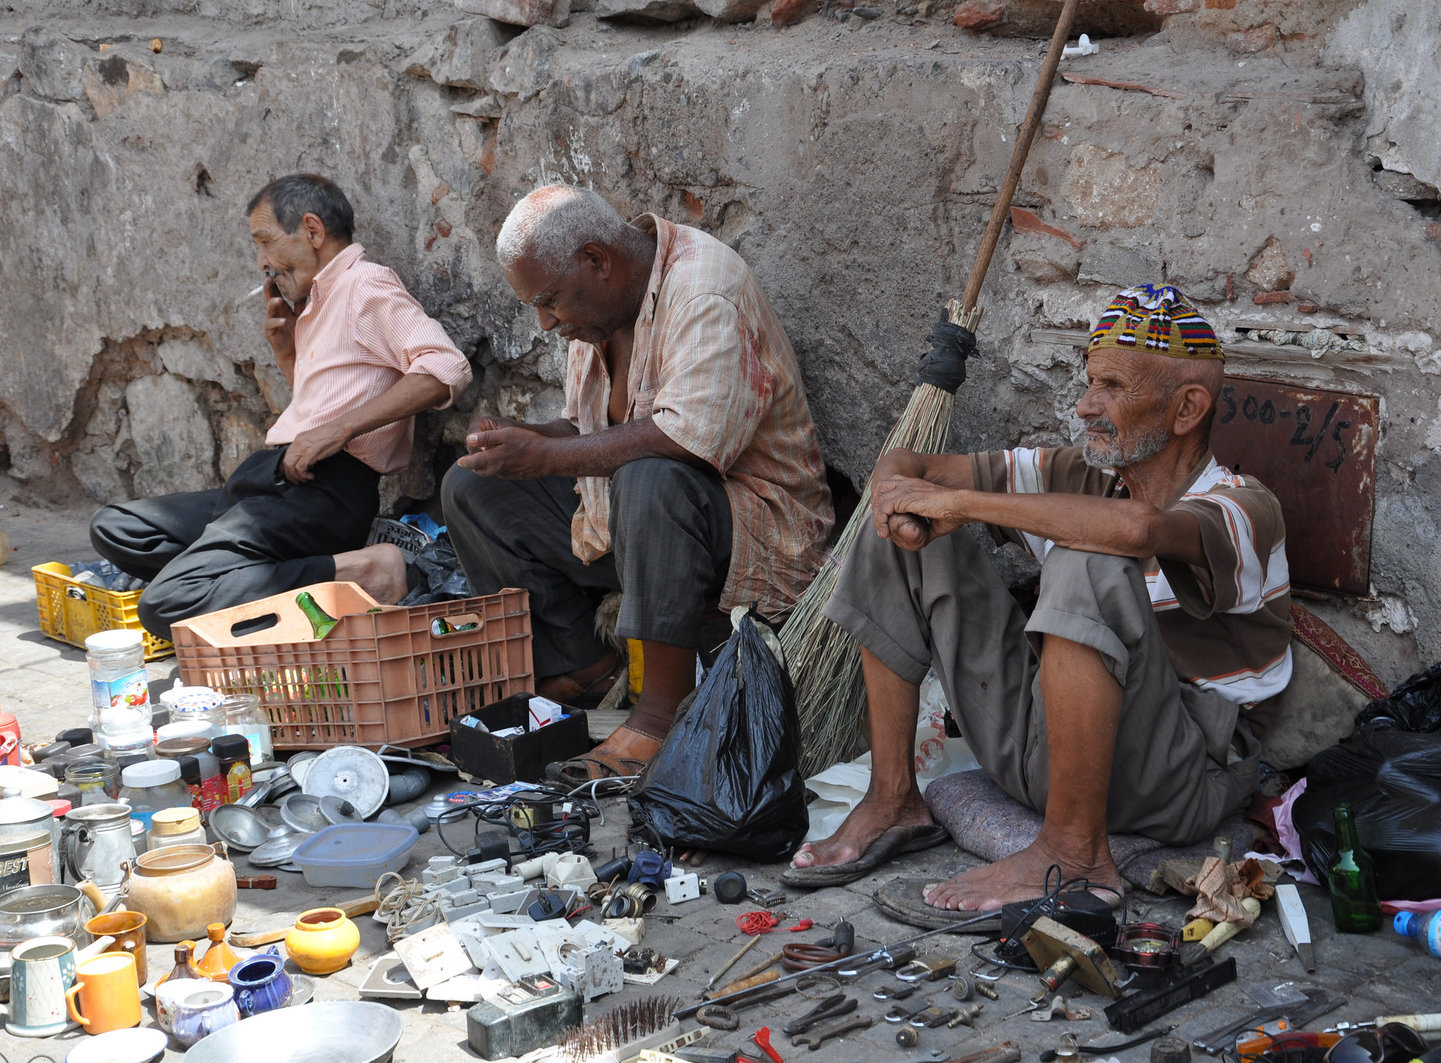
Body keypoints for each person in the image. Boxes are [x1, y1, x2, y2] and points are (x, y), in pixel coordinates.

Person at [785, 284, 1292, 913]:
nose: (1084, 406)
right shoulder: (1081, 476)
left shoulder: (1244, 504)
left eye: (1111, 387)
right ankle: (894, 800)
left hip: (1176, 778)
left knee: (1088, 556)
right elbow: (906, 464)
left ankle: (1074, 856)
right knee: (898, 525)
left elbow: (1137, 531)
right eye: (1090, 382)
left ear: (1187, 409)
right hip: (1043, 754)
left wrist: (960, 505)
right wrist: (905, 503)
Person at [441, 184, 833, 784]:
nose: (545, 323)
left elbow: (685, 444)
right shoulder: (600, 314)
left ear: (597, 261)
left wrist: (546, 456)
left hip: (751, 530)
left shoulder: (704, 288)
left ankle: (657, 716)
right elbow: (588, 429)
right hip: (639, 528)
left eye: (548, 302)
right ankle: (584, 666)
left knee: (650, 476)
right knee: (473, 488)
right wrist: (524, 439)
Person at [91, 174, 472, 640]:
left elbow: (444, 367)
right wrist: (287, 352)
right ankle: (268, 579)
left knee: (169, 602)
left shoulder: (365, 286)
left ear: (312, 231)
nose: (262, 262)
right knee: (117, 527)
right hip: (272, 483)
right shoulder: (317, 303)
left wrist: (339, 431)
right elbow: (316, 409)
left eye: (266, 243)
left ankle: (359, 571)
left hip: (323, 488)